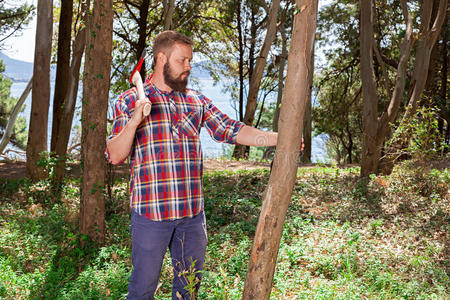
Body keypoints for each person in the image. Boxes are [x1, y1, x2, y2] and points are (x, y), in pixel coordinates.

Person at [106, 30, 278, 299]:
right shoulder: (129, 101)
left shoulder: (195, 100)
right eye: (182, 60)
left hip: (191, 217)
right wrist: (134, 120)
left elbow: (231, 130)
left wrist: (278, 138)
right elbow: (115, 154)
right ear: (161, 58)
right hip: (151, 216)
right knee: (142, 289)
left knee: (188, 290)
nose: (188, 66)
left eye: (190, 60)